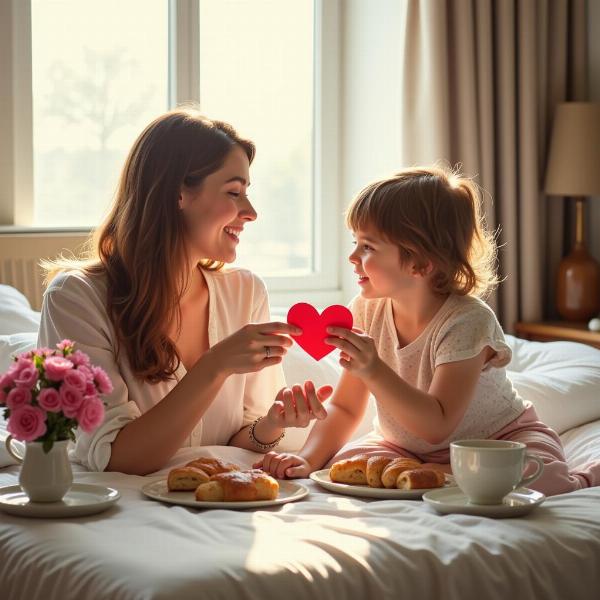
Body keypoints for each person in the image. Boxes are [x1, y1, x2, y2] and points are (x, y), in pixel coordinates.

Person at [255, 165, 600, 496]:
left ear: (420, 262)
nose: (352, 257)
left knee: (538, 475)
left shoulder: (467, 321)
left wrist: (374, 370)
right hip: (405, 449)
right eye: (355, 242)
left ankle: (582, 479)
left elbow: (438, 426)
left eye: (368, 247)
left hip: (495, 442)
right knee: (344, 465)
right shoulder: (367, 309)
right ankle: (439, 478)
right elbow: (345, 408)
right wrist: (308, 457)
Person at [38, 107, 331, 475]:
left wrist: (271, 425)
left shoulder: (245, 291)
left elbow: (238, 444)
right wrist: (214, 366)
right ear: (178, 193)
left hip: (222, 504)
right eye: (234, 192)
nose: (251, 212)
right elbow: (116, 457)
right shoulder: (76, 298)